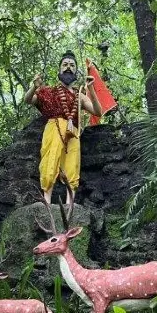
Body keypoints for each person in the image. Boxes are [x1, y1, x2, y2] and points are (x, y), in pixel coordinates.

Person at [23, 51, 103, 209]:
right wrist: (34, 86)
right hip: (54, 127)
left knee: (72, 165)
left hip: (73, 131)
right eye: (65, 65)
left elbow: (98, 111)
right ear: (59, 70)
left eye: (72, 65)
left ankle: (69, 203)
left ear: (76, 71)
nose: (68, 68)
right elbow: (27, 100)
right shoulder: (49, 91)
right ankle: (46, 199)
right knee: (50, 161)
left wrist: (91, 88)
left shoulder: (79, 95)